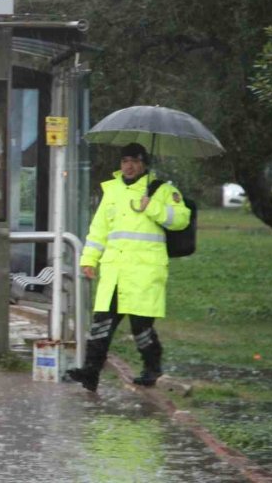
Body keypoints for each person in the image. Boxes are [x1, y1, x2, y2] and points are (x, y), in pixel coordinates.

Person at [67, 142, 191, 392]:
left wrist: (153, 207)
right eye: (125, 161)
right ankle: (90, 372)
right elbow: (99, 228)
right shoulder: (111, 191)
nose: (130, 166)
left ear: (144, 163)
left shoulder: (162, 190)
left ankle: (152, 369)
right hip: (115, 272)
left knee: (141, 326)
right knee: (101, 322)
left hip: (144, 272)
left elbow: (181, 219)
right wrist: (89, 259)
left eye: (135, 161)